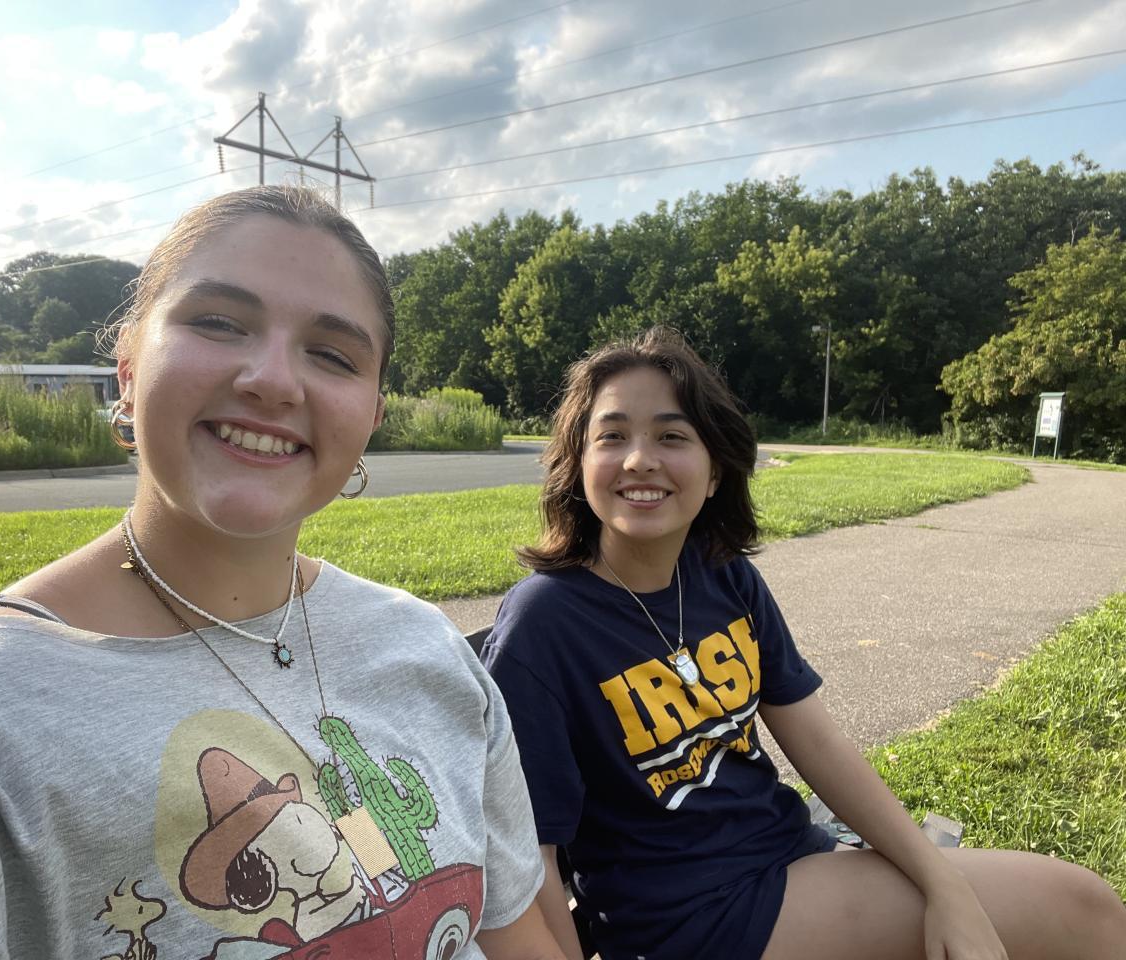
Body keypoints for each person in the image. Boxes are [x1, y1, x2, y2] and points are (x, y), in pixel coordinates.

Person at [0, 186, 564, 960]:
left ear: (371, 418)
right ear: (127, 369)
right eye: (218, 323)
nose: (274, 380)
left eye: (333, 355)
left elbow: (515, 936)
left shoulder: (428, 649)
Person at [481, 327, 1126, 960]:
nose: (639, 459)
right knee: (1083, 910)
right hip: (688, 919)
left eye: (672, 436)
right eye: (612, 436)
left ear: (714, 472)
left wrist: (943, 883)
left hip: (786, 855)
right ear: (578, 465)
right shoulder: (545, 624)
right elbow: (528, 851)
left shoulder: (724, 577)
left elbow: (818, 744)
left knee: (1073, 909)